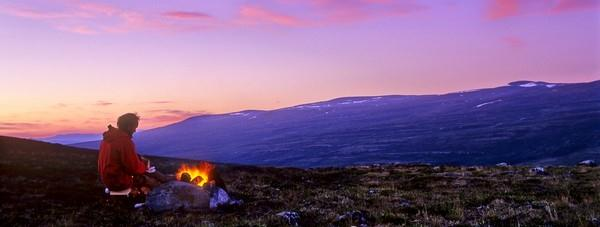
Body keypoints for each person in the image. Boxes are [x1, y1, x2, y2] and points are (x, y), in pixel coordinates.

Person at [97, 113, 168, 195]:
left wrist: (139, 160)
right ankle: (157, 197)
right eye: (134, 127)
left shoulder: (107, 139)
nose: (135, 130)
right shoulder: (124, 141)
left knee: (145, 167)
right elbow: (133, 168)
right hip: (119, 182)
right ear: (128, 127)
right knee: (154, 182)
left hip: (108, 179)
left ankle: (164, 178)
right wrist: (144, 166)